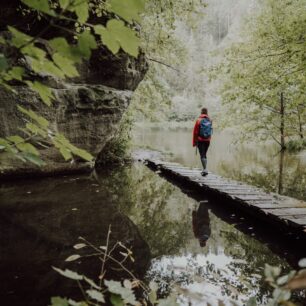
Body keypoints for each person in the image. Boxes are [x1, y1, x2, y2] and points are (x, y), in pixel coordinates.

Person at [192, 107, 212, 176]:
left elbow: (195, 132)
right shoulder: (210, 120)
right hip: (208, 140)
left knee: (202, 155)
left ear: (201, 112)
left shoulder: (199, 120)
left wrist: (194, 142)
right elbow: (210, 131)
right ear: (207, 112)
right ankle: (204, 169)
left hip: (200, 140)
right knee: (204, 154)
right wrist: (209, 139)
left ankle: (205, 169)